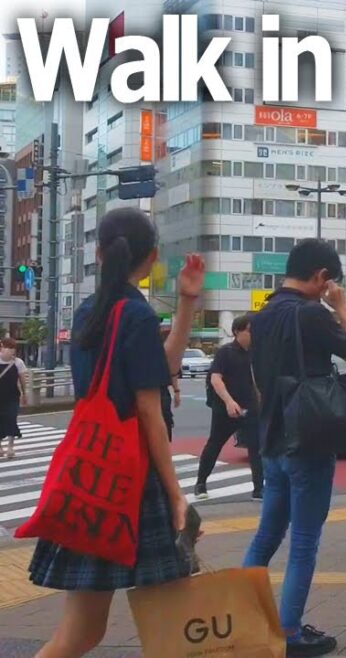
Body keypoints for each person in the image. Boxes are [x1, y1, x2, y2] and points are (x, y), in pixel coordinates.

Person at [27, 207, 204, 658]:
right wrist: (176, 493)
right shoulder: (137, 315)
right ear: (153, 258)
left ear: (100, 253)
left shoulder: (89, 312)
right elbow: (148, 408)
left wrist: (185, 305)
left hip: (94, 477)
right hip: (134, 479)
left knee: (80, 633)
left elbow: (157, 370)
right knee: (174, 628)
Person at [243, 239, 346, 657]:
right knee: (304, 541)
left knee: (265, 536)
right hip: (308, 440)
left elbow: (260, 380)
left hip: (272, 438)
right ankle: (290, 632)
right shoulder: (314, 313)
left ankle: (245, 622)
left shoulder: (262, 315)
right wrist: (342, 309)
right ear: (322, 278)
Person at [195, 313, 263, 501]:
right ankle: (201, 484)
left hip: (250, 407)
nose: (253, 334)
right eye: (250, 331)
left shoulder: (256, 353)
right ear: (236, 331)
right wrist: (229, 401)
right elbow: (216, 379)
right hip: (226, 409)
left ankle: (259, 488)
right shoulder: (226, 352)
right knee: (215, 444)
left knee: (256, 448)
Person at [0, 338, 28, 460]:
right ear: (2, 348)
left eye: (12, 349)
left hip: (12, 396)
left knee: (12, 419)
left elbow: (22, 379)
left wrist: (24, 393)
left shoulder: (18, 362)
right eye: (8, 348)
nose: (11, 351)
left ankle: (11, 447)